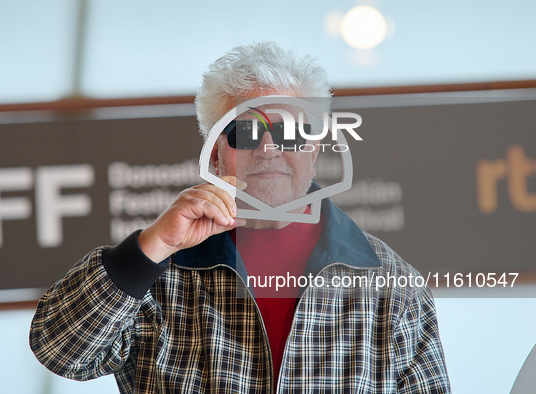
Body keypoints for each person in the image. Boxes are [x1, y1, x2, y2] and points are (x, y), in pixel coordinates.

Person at [30, 42, 451, 393]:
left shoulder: (392, 284)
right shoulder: (156, 270)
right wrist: (153, 247)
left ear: (315, 147)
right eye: (246, 132)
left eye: (289, 131)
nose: (268, 149)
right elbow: (60, 350)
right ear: (216, 154)